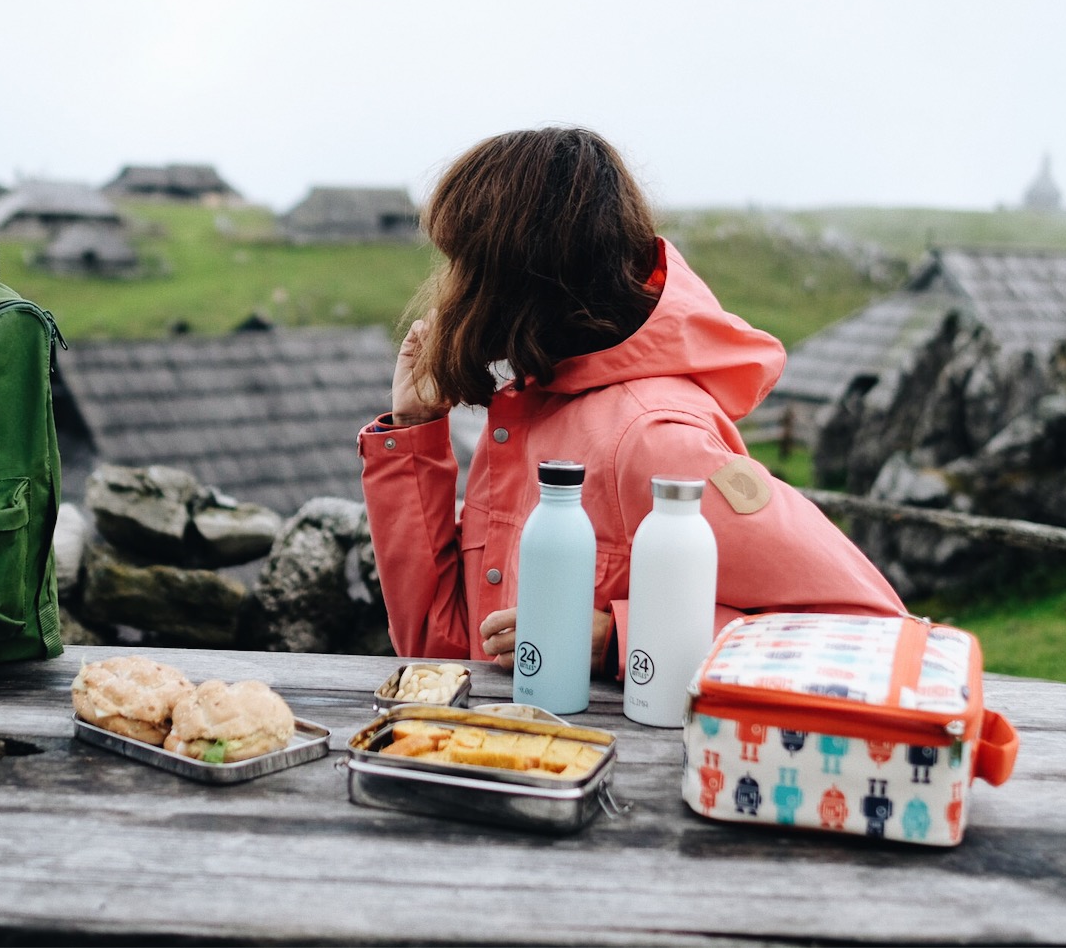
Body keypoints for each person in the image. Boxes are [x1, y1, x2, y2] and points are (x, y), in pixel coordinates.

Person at [357, 127, 903, 674]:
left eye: (462, 263)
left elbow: (872, 631)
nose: (446, 288)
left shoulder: (654, 437)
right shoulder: (527, 414)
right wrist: (415, 433)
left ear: (518, 274)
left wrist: (623, 640)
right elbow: (440, 652)